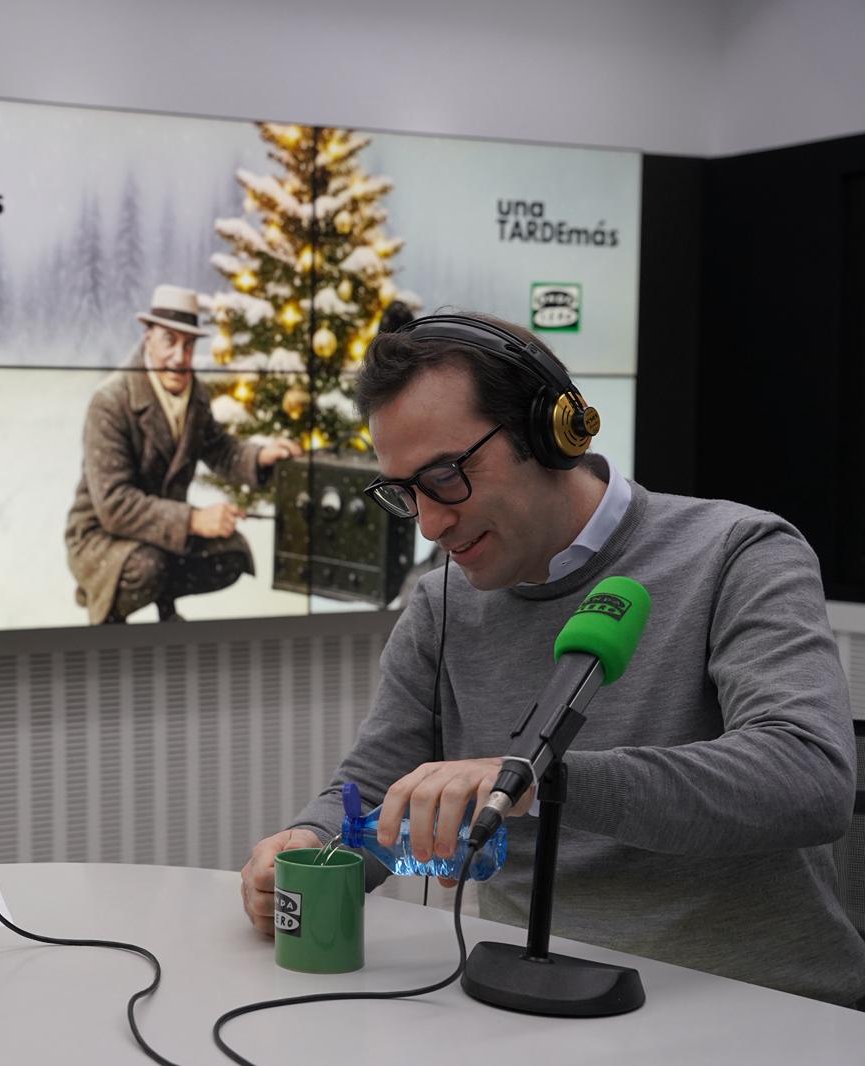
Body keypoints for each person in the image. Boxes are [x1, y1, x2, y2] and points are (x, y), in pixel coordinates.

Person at [239, 311, 865, 1007]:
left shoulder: (740, 552)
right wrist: (307, 845)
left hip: (754, 1005)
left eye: (447, 475)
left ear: (552, 432)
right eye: (406, 492)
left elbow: (809, 776)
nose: (430, 522)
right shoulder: (440, 603)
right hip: (523, 1000)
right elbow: (377, 787)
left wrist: (540, 780)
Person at [66, 284, 302, 623]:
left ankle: (162, 599)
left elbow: (220, 449)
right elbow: (114, 505)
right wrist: (193, 520)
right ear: (148, 337)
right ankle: (109, 612)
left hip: (158, 531)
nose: (180, 357)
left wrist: (260, 455)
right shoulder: (110, 401)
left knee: (232, 555)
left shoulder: (196, 395)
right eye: (169, 341)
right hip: (101, 535)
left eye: (189, 345)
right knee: (148, 567)